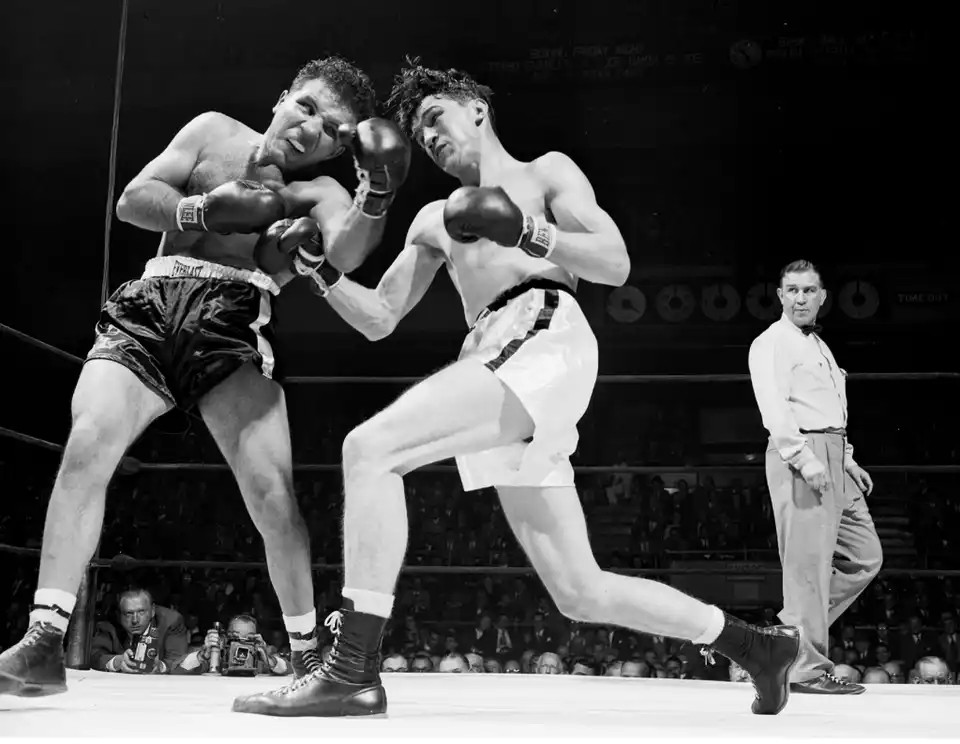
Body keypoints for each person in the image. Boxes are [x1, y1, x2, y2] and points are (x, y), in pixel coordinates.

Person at [232, 59, 799, 719]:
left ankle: (352, 668)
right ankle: (757, 647)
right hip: (497, 354)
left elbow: (614, 263)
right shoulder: (434, 219)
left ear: (476, 107)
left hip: (542, 330)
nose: (430, 137)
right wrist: (320, 271)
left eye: (436, 117)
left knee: (370, 449)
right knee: (579, 591)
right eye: (419, 133)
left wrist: (526, 231)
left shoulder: (545, 173)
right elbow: (381, 320)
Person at [0, 55, 410, 697]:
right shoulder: (214, 131)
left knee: (274, 497)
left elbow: (349, 249)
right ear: (283, 96)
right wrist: (204, 212)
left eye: (333, 131)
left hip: (232, 317)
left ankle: (307, 658)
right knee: (86, 448)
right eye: (307, 107)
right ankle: (44, 642)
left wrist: (376, 192)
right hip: (150, 307)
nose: (312, 130)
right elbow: (134, 201)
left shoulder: (319, 194)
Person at [747, 259, 883, 695]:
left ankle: (786, 636)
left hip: (831, 453)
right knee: (808, 568)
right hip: (800, 453)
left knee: (865, 557)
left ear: (822, 296)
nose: (801, 298)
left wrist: (845, 459)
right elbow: (775, 408)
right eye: (792, 290)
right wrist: (804, 459)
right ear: (780, 296)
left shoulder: (819, 346)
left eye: (809, 291)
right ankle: (805, 668)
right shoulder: (771, 342)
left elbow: (829, 409)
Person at [89, 588, 190, 675]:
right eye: (129, 613)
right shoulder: (109, 625)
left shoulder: (171, 621)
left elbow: (179, 661)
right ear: (119, 615)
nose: (135, 620)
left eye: (141, 612)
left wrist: (160, 666)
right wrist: (117, 662)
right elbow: (94, 657)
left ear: (152, 611)